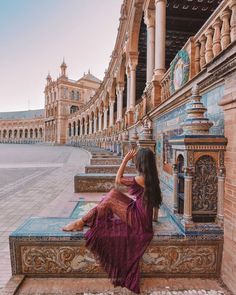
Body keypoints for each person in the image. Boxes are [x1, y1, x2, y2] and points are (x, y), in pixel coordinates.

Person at [62, 147, 162, 294]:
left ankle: (81, 221)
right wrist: (152, 220)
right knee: (112, 195)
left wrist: (124, 160)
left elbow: (117, 180)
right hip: (142, 217)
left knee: (109, 199)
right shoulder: (152, 177)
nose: (134, 162)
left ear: (141, 163)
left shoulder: (141, 179)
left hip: (139, 221)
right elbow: (153, 204)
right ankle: (83, 221)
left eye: (136, 160)